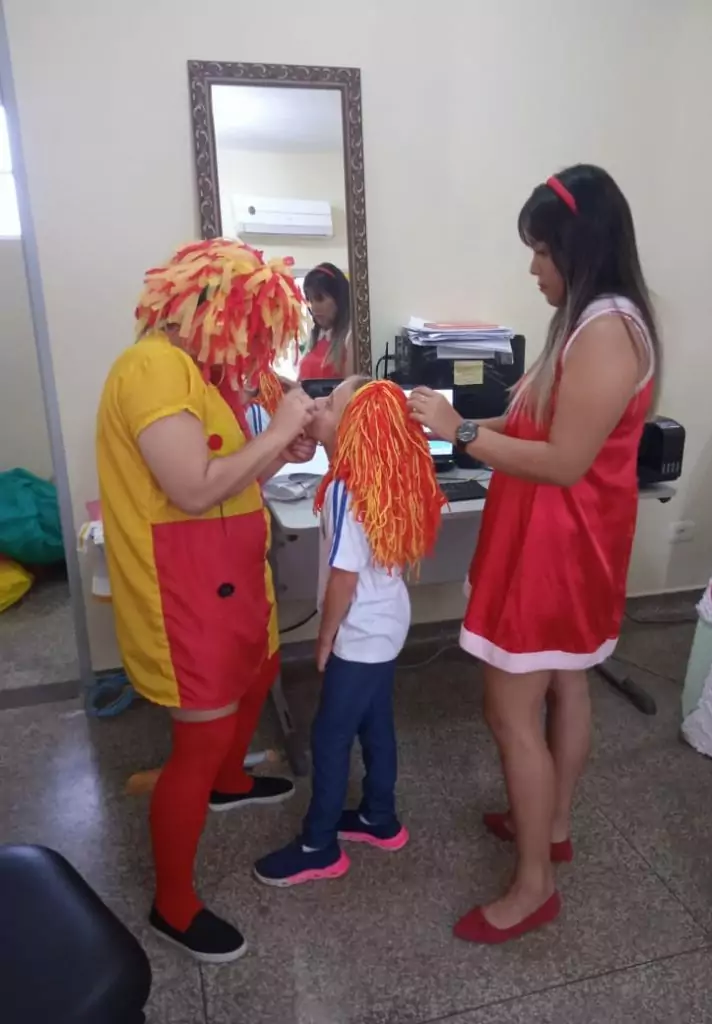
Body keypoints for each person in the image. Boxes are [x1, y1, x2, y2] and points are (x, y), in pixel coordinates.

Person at [408, 165, 662, 945]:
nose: (532, 268)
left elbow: (562, 461)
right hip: (561, 542)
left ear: (577, 252)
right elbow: (542, 425)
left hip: (558, 549)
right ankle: (548, 827)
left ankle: (533, 886)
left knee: (508, 709)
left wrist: (456, 430)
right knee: (564, 685)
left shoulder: (609, 333)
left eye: (542, 253)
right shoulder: (588, 324)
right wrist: (467, 419)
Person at [96, 239, 317, 964]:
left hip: (230, 573)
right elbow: (193, 486)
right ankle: (174, 903)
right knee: (199, 736)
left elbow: (227, 463)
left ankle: (231, 782)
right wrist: (282, 429)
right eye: (251, 327)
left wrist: (275, 448)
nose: (254, 348)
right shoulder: (154, 367)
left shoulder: (202, 372)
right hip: (182, 588)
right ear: (212, 309)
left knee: (258, 672)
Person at [254, 379, 446, 886]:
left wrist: (324, 638)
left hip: (358, 635)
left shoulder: (345, 488)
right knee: (374, 722)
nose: (315, 405)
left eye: (328, 403)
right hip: (387, 625)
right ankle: (379, 818)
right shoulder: (378, 476)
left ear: (354, 426)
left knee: (331, 734)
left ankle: (318, 846)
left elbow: (343, 577)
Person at [298, 262, 352, 380]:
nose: (314, 307)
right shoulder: (316, 338)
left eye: (320, 298)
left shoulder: (350, 338)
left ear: (338, 299)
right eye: (311, 300)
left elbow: (351, 393)